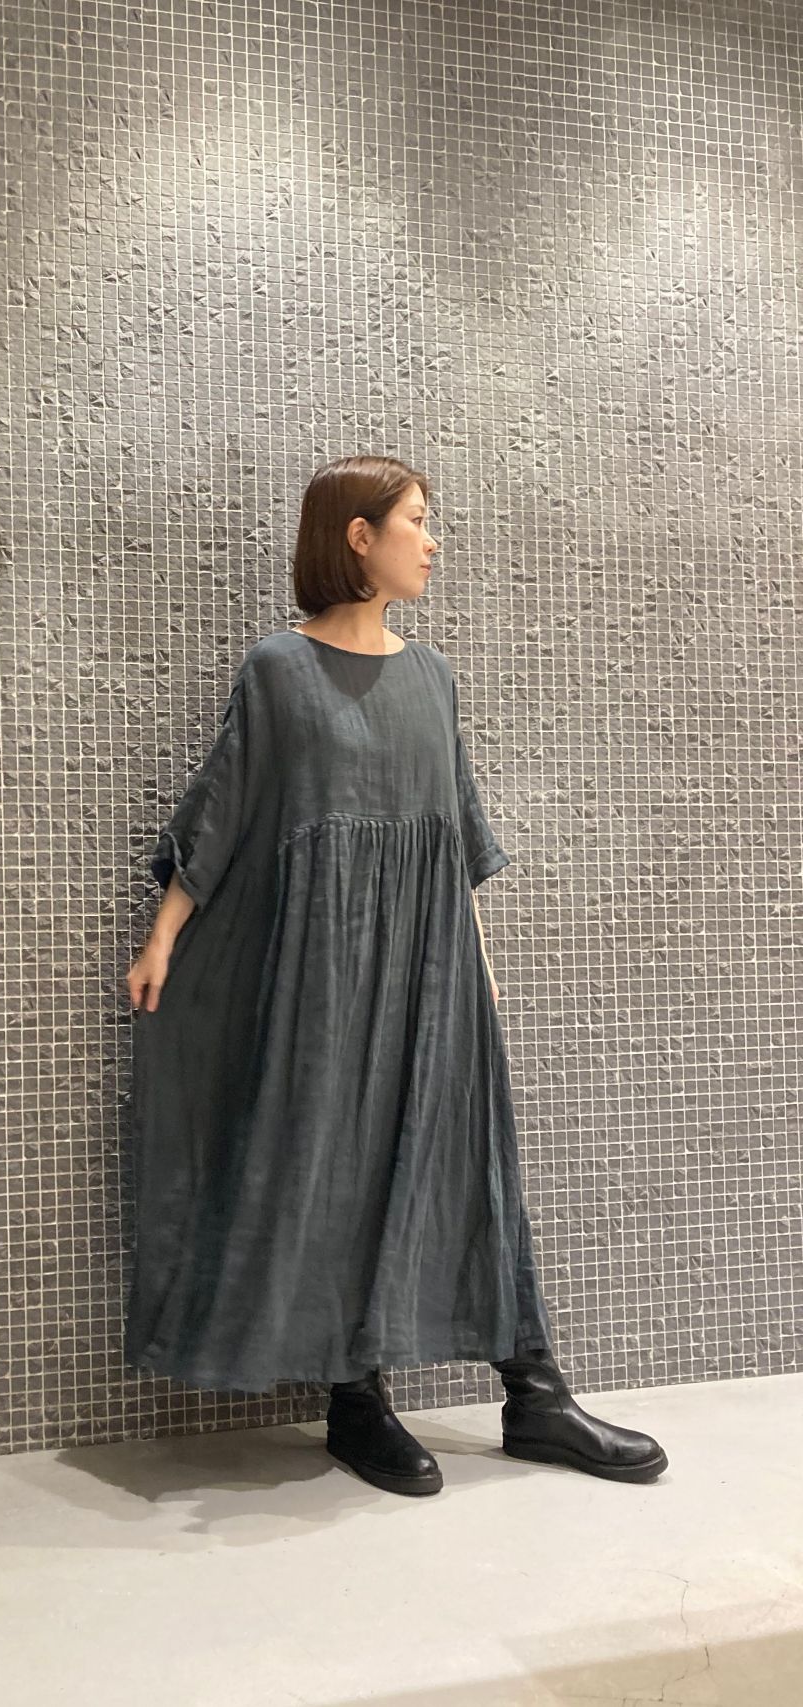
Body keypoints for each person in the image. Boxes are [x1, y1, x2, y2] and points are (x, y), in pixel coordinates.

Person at [123, 454, 668, 1497]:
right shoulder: (279, 671)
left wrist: (479, 963)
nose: (433, 539)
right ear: (358, 536)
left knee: (473, 1163)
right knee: (336, 1166)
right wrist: (164, 937)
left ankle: (535, 1394)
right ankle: (357, 1400)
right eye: (416, 519)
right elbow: (224, 811)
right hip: (323, 981)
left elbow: (450, 837)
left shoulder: (431, 678)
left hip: (430, 967)